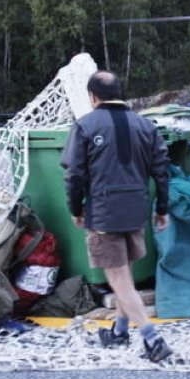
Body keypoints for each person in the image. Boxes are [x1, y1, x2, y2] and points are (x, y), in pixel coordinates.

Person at [62, 71, 173, 362]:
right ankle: (120, 330)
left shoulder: (84, 126)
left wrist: (75, 209)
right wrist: (162, 209)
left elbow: (74, 174)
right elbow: (162, 170)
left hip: (104, 214)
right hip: (136, 211)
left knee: (119, 281)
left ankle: (152, 338)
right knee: (126, 277)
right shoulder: (145, 126)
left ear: (93, 97)